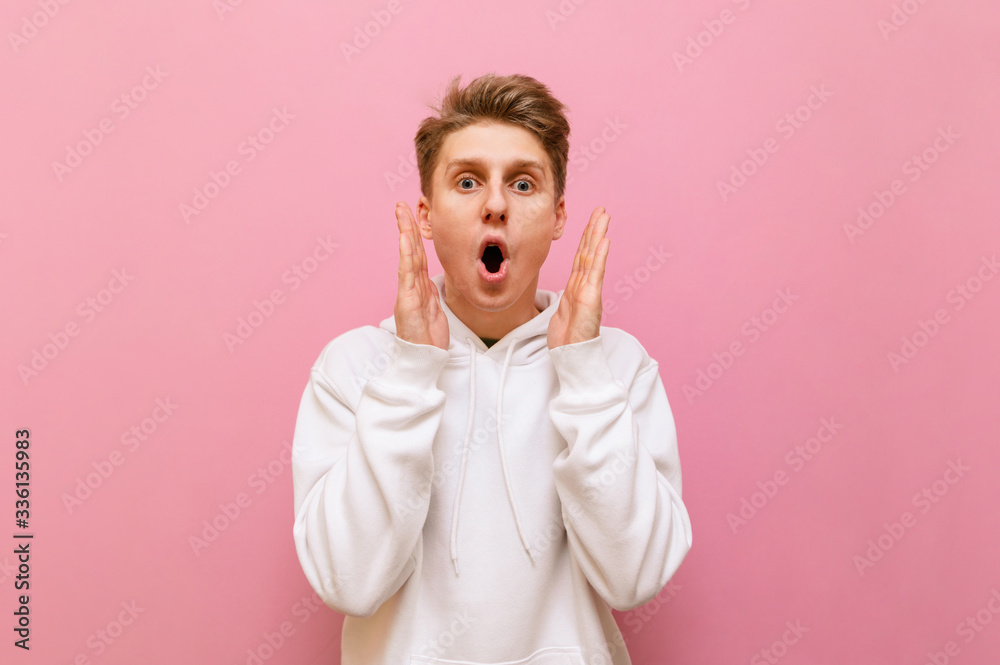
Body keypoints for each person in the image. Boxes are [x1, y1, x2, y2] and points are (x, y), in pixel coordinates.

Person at [291, 72, 692, 665]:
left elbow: (635, 576)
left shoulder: (617, 368)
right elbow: (348, 581)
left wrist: (580, 372)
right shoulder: (353, 368)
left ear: (558, 217)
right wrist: (410, 373)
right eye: (468, 181)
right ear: (426, 216)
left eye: (522, 183)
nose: (496, 204)